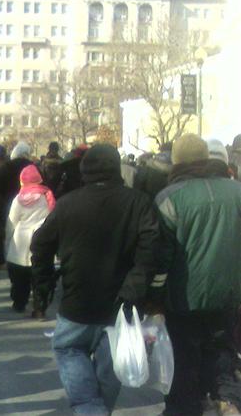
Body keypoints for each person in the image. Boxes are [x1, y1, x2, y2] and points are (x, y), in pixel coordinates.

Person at [31, 144, 163, 415]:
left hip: (77, 298)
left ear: (84, 170)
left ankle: (90, 408)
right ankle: (96, 409)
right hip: (120, 302)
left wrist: (44, 282)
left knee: (69, 348)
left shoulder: (68, 203)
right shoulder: (138, 203)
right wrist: (136, 286)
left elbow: (40, 244)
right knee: (110, 362)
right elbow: (151, 251)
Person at [155, 134, 241, 415]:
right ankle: (227, 401)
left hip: (183, 298)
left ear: (176, 161)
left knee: (184, 361)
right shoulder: (236, 192)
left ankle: (186, 408)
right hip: (229, 295)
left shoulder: (169, 198)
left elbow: (160, 258)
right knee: (222, 353)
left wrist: (152, 297)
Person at [4, 165, 55, 317]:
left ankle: (19, 302)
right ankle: (39, 307)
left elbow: (11, 222)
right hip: (41, 239)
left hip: (20, 240)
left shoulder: (19, 199)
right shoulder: (47, 196)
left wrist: (7, 241)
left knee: (19, 277)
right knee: (40, 277)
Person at [0, 142, 34, 265]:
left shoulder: (6, 167)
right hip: (29, 203)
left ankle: (2, 257)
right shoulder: (32, 168)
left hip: (8, 203)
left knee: (6, 231)